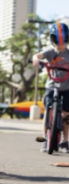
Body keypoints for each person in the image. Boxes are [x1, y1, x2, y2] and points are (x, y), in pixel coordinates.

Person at [32, 22, 69, 153]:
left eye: (63, 43)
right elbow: (37, 55)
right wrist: (36, 59)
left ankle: (64, 141)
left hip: (66, 88)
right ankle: (45, 140)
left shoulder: (68, 53)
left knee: (66, 114)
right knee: (48, 112)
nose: (60, 46)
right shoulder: (49, 52)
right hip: (51, 86)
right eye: (57, 43)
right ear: (52, 41)